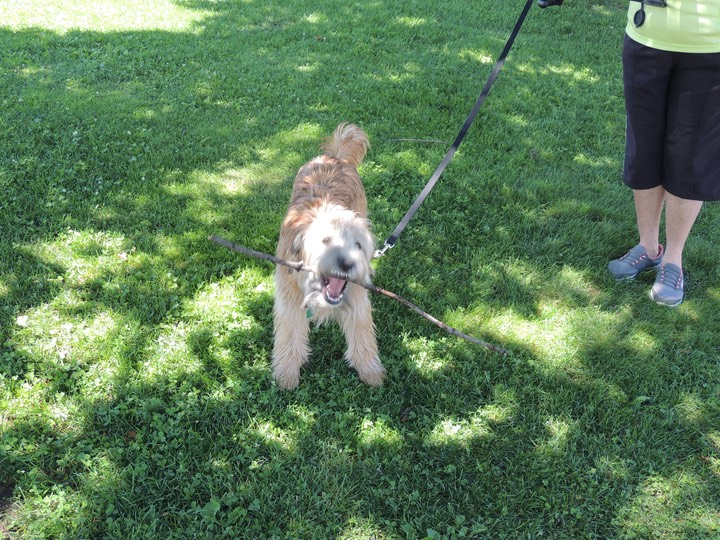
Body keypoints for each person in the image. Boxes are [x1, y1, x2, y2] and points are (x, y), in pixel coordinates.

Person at [607, 0, 720, 307]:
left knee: (690, 156)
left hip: (710, 49)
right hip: (645, 38)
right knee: (643, 148)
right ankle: (647, 246)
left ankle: (673, 259)